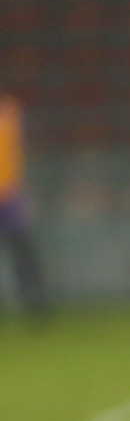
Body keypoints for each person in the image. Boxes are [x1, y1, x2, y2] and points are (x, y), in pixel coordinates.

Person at [0, 94, 47, 317]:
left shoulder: (11, 111)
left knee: (22, 250)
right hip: (11, 193)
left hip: (10, 194)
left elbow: (21, 150)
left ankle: (33, 298)